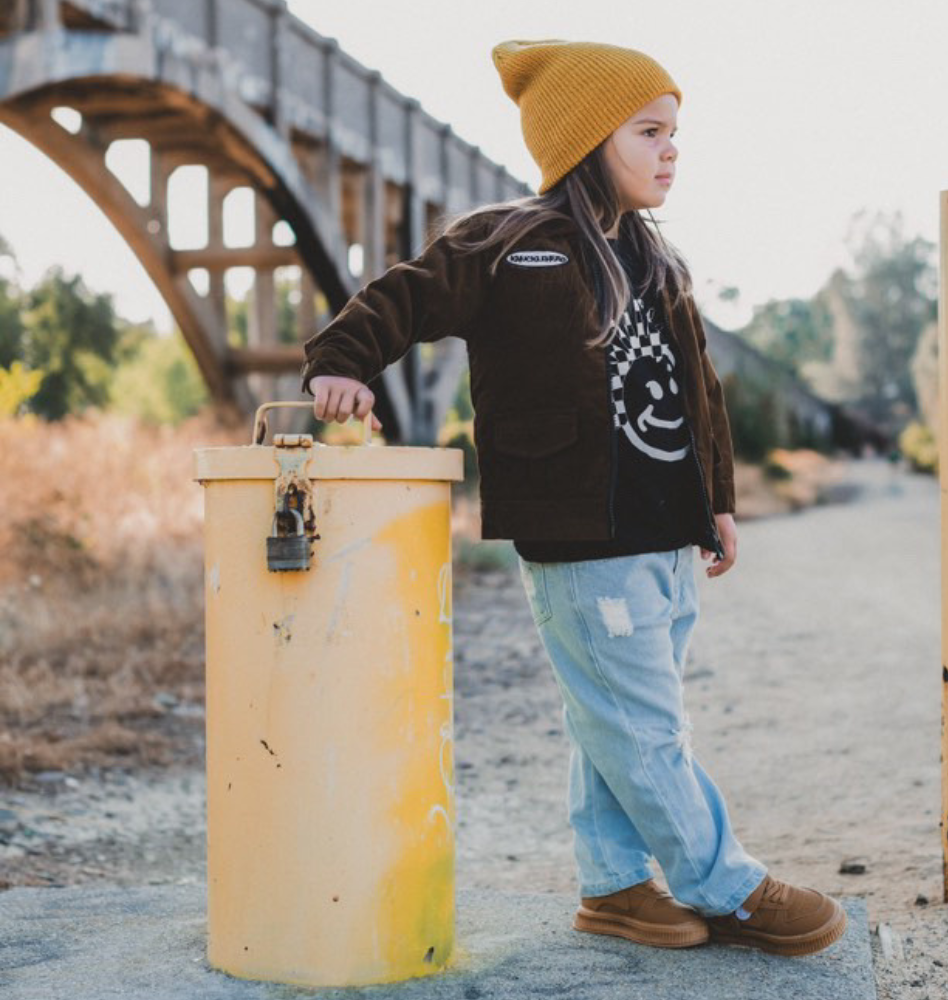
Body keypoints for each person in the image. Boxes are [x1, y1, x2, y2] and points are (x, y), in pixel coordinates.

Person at [300, 38, 847, 959]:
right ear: (589, 137)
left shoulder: (659, 260)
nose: (671, 150)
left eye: (674, 133)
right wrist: (341, 362)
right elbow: (405, 296)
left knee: (619, 721)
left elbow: (699, 389)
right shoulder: (507, 242)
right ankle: (727, 886)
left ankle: (615, 887)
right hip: (582, 536)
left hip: (663, 531)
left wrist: (716, 498)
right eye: (649, 132)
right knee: (639, 724)